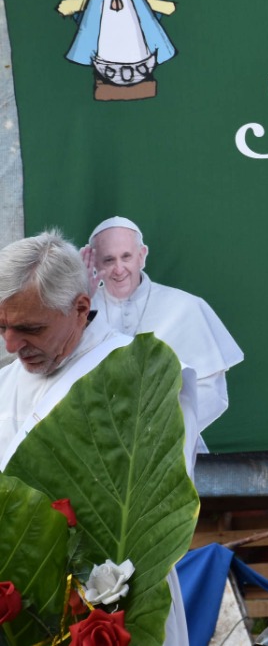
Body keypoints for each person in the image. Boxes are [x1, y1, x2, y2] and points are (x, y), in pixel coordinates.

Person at [0, 230, 197, 646]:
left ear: (80, 308)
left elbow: (153, 510)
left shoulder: (139, 376)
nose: (12, 345)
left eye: (29, 328)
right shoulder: (5, 383)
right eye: (1, 327)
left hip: (115, 610)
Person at [82, 216, 242, 452]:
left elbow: (212, 393)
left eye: (126, 257)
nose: (118, 269)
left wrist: (156, 432)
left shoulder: (186, 306)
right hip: (99, 450)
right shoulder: (80, 312)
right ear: (94, 261)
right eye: (108, 260)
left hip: (172, 447)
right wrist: (80, 297)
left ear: (142, 255)